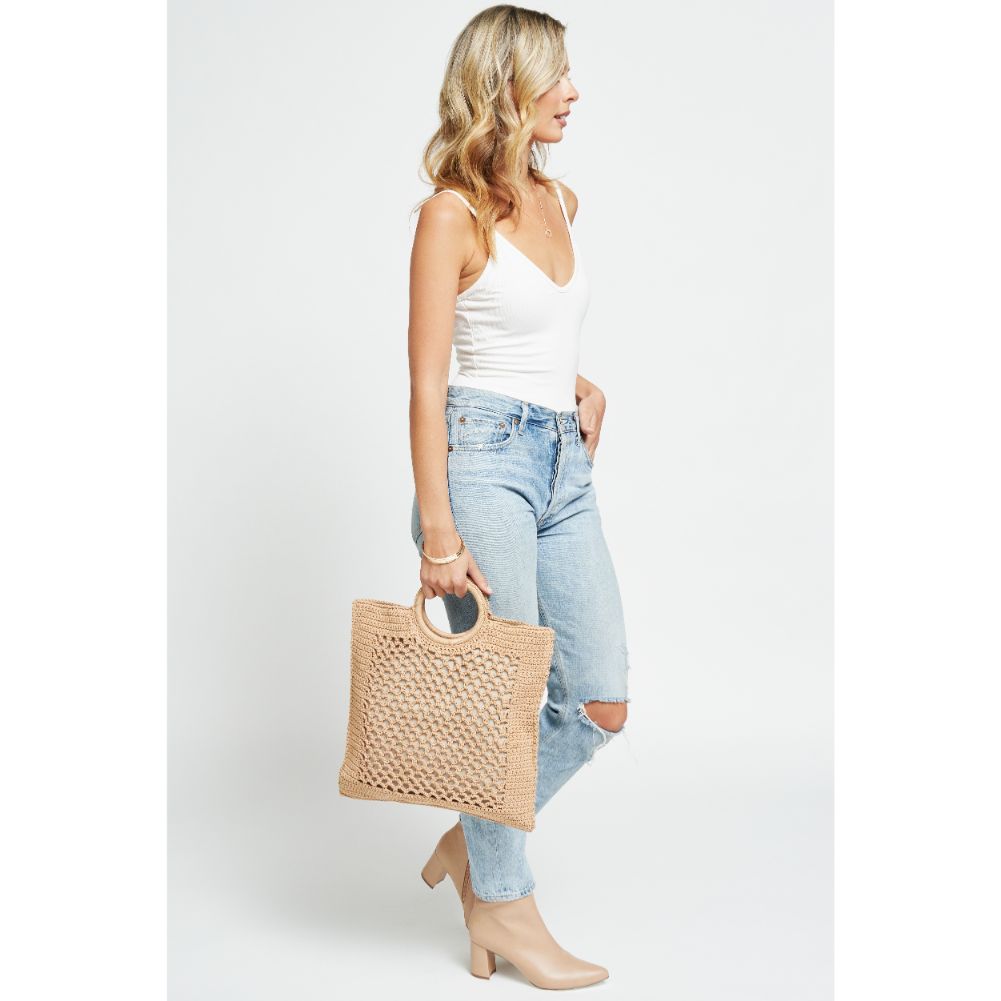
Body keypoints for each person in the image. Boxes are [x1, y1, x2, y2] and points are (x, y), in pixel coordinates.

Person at [407, 5, 630, 989]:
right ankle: (502, 902)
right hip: (481, 463)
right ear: (503, 86)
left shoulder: (559, 198)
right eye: (556, 75)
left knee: (599, 698)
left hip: (560, 465)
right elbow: (426, 384)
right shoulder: (448, 214)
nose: (572, 92)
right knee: (502, 700)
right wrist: (439, 536)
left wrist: (578, 384)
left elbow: (531, 328)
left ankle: (472, 840)